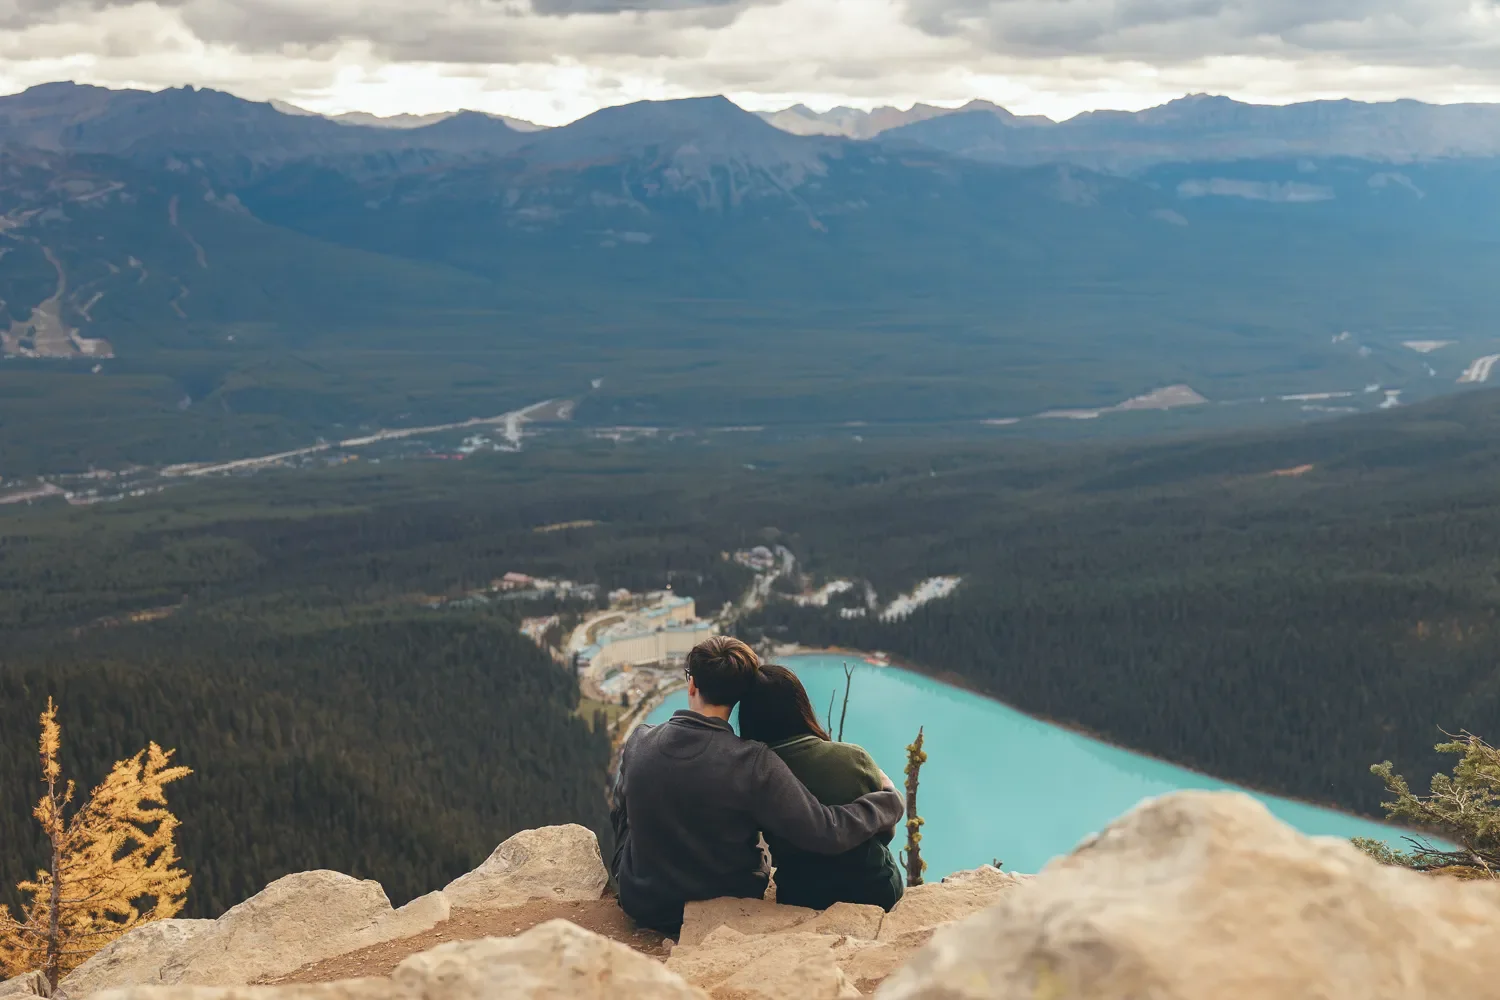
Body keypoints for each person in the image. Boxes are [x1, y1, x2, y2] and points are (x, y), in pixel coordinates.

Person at [610, 636, 904, 936]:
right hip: (725, 901)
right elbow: (825, 831)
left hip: (642, 901)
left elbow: (621, 812)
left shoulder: (640, 741)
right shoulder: (753, 762)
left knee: (627, 804)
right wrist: (888, 802)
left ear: (692, 684)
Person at [737, 664, 905, 912]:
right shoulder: (853, 758)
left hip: (800, 895)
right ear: (801, 705)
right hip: (875, 889)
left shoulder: (751, 773)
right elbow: (885, 833)